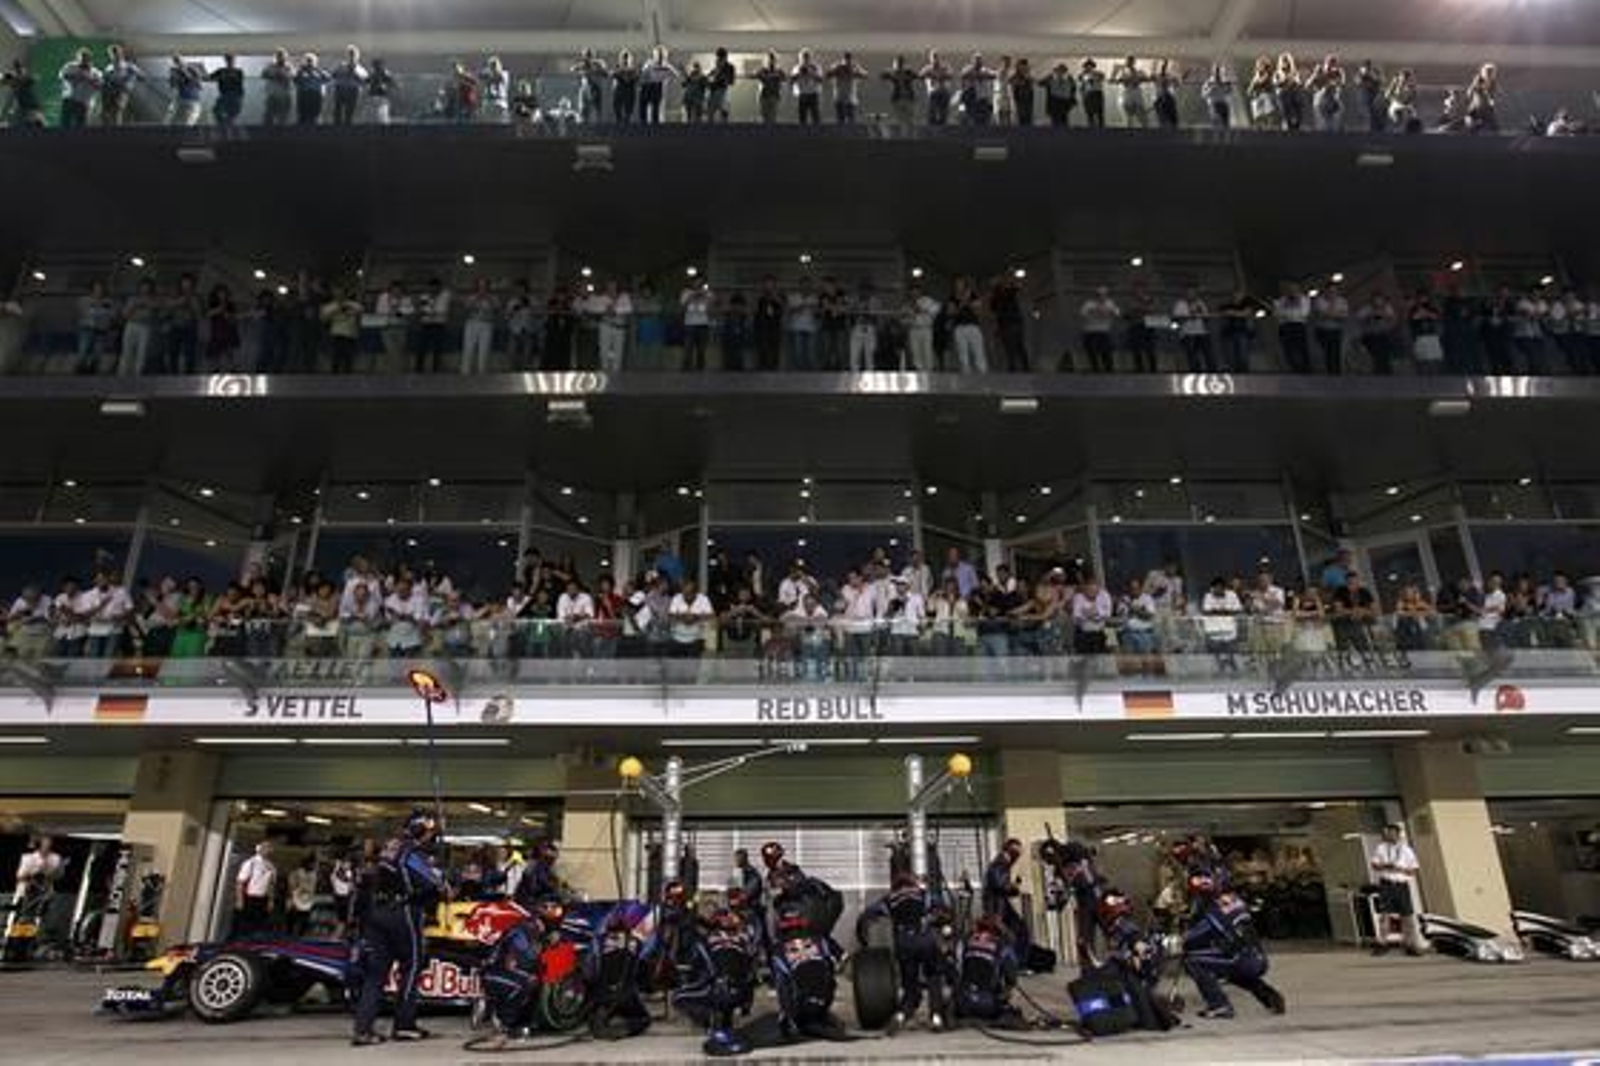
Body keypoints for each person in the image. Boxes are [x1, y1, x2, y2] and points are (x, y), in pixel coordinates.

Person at [351, 810, 447, 1045]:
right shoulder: (411, 853)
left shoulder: (390, 848)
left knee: (376, 974)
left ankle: (363, 1030)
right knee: (412, 967)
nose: (432, 836)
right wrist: (441, 880)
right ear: (422, 831)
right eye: (430, 832)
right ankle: (404, 1025)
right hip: (402, 913)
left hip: (376, 912)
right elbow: (434, 885)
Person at [1180, 869, 1286, 1019]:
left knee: (1192, 960)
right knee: (1230, 969)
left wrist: (1181, 939)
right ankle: (1270, 997)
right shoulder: (1235, 900)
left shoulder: (1214, 909)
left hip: (1243, 959)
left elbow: (1193, 938)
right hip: (1256, 957)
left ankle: (1219, 1006)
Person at [858, 872, 952, 1032]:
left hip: (904, 943)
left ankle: (900, 1016)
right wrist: (941, 924)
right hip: (925, 940)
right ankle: (936, 1017)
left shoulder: (889, 899)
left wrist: (863, 940)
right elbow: (943, 910)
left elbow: (866, 916)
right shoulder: (923, 894)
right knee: (934, 976)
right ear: (912, 883)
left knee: (910, 986)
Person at [952, 914, 1021, 1026]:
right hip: (987, 1006)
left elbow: (956, 970)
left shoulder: (966, 941)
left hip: (962, 1003)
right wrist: (1004, 995)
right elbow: (1011, 977)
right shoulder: (1003, 945)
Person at [1370, 823, 1427, 956]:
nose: (1389, 835)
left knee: (1407, 916)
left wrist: (1401, 869)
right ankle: (1382, 943)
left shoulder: (1406, 850)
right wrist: (1385, 866)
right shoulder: (1381, 848)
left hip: (1401, 885)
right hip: (1386, 884)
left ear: (1398, 834)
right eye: (1387, 833)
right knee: (1385, 914)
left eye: (1392, 833)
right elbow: (1374, 865)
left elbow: (1413, 870)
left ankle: (1410, 944)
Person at [981, 838, 1029, 961]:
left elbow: (1002, 888)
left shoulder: (1004, 864)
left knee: (1017, 930)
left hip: (1001, 906)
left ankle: (1014, 961)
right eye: (1016, 853)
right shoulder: (1000, 863)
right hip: (995, 907)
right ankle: (1014, 961)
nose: (1017, 858)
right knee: (1012, 932)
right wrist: (1013, 887)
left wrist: (1014, 888)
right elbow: (999, 884)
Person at [234, 840, 277, 934]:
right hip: (249, 898)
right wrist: (239, 900)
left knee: (258, 926)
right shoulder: (251, 863)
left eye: (269, 848)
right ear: (259, 848)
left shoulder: (271, 866)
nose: (267, 850)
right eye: (265, 847)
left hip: (262, 899)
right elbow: (240, 882)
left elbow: (271, 885)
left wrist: (271, 900)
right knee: (244, 925)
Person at [58, 48, 102, 129]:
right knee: (65, 123)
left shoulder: (95, 72)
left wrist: (89, 80)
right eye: (82, 59)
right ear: (77, 58)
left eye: (86, 59)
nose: (83, 61)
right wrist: (77, 76)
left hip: (83, 102)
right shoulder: (70, 66)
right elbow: (62, 76)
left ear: (90, 59)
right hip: (69, 99)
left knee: (80, 124)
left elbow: (99, 86)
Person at [100, 44, 142, 127]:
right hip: (109, 93)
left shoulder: (128, 66)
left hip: (121, 92)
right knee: (106, 114)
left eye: (116, 53)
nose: (115, 56)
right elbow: (104, 80)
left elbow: (141, 76)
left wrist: (129, 81)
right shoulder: (109, 67)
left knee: (117, 112)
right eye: (112, 54)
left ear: (121, 53)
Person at [330, 45, 367, 126]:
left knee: (349, 113)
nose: (351, 57)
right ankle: (336, 129)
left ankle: (348, 128)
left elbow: (364, 80)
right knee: (337, 112)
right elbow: (333, 75)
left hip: (352, 91)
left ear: (357, 57)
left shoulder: (360, 69)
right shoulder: (340, 66)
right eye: (350, 54)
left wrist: (354, 72)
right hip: (340, 90)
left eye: (353, 55)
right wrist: (342, 71)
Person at [293, 52, 330, 126]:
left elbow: (328, 78)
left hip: (316, 96)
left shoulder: (319, 71)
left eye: (311, 61)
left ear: (315, 62)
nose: (309, 63)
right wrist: (302, 74)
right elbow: (295, 80)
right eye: (308, 61)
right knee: (303, 116)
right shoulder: (300, 71)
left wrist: (317, 73)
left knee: (315, 116)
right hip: (304, 96)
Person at [286, 855, 318, 937]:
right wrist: (291, 898)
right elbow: (291, 885)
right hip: (296, 897)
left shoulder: (313, 874)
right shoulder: (296, 872)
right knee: (293, 917)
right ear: (308, 864)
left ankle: (301, 935)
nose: (315, 866)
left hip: (307, 899)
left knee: (305, 919)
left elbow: (313, 887)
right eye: (313, 864)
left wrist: (311, 897)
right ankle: (289, 934)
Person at [791, 49, 823, 126]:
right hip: (802, 94)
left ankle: (817, 131)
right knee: (802, 117)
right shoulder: (797, 68)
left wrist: (811, 73)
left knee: (815, 117)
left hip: (813, 93)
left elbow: (820, 80)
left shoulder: (815, 67)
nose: (805, 59)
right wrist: (799, 73)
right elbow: (792, 80)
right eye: (804, 57)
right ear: (800, 58)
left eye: (807, 57)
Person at [753, 51, 785, 124]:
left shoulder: (778, 71)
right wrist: (762, 76)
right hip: (764, 95)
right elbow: (755, 74)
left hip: (774, 96)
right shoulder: (763, 70)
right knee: (764, 116)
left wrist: (776, 76)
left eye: (772, 59)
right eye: (769, 59)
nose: (771, 61)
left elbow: (784, 78)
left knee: (772, 117)